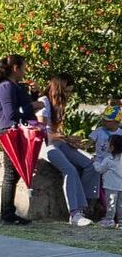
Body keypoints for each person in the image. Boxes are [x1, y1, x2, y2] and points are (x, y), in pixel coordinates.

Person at [36, 74, 97, 227]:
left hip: (57, 142)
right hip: (46, 145)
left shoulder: (57, 104)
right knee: (69, 170)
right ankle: (75, 213)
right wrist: (67, 139)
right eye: (67, 91)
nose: (69, 95)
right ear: (59, 89)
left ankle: (88, 207)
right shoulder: (43, 102)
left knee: (91, 164)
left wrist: (69, 139)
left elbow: (55, 132)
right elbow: (41, 132)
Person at [0, 55, 35, 225]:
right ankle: (6, 215)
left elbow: (24, 106)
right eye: (23, 68)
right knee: (10, 174)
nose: (25, 72)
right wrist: (31, 107)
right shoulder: (5, 87)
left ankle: (9, 212)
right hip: (10, 133)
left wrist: (34, 95)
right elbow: (11, 114)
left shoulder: (14, 86)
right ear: (15, 68)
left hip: (17, 131)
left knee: (15, 174)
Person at [92, 134, 122, 228]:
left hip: (111, 185)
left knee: (111, 203)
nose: (106, 145)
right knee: (120, 204)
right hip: (121, 185)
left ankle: (109, 220)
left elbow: (100, 169)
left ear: (112, 147)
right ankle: (121, 220)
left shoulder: (108, 160)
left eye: (108, 143)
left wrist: (95, 162)